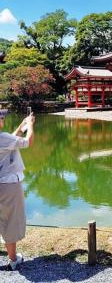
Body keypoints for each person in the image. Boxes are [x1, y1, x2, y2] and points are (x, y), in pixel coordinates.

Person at [0, 109, 35, 270]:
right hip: (8, 186)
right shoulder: (2, 137)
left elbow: (10, 140)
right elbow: (28, 142)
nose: (3, 118)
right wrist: (30, 126)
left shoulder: (4, 138)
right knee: (10, 221)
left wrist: (21, 127)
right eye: (1, 117)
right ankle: (13, 260)